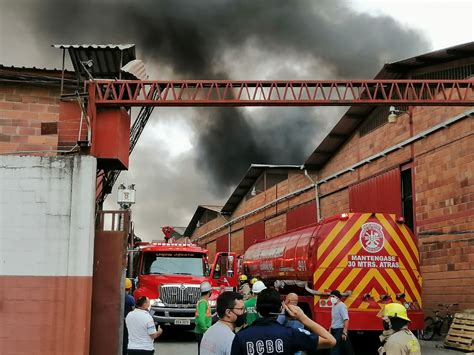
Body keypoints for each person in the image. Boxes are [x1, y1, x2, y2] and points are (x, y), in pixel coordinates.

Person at [231, 288, 336, 354]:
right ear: (281, 308)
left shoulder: (241, 337)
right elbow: (330, 341)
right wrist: (303, 317)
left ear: (256, 308)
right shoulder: (291, 334)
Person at [329, 290, 352, 355]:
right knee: (338, 348)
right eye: (330, 296)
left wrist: (344, 332)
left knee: (334, 349)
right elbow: (334, 319)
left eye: (333, 296)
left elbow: (346, 319)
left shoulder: (342, 306)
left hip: (339, 330)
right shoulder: (334, 306)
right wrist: (330, 329)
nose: (331, 298)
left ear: (338, 298)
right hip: (334, 330)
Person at [195, 281, 213, 355]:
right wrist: (205, 329)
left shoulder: (203, 301)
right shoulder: (203, 303)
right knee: (204, 352)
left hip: (202, 331)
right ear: (209, 292)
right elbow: (201, 319)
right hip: (202, 331)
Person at [123, 278, 136, 355]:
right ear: (130, 288)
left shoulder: (116, 296)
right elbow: (133, 310)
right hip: (127, 322)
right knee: (126, 339)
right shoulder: (130, 299)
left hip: (118, 321)